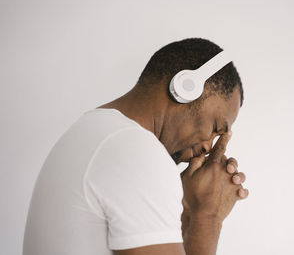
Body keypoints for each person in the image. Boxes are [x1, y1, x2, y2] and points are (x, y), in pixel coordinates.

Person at [23, 38, 249, 255]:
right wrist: (209, 214)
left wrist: (189, 212)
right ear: (185, 87)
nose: (209, 147)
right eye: (216, 127)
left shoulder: (100, 131)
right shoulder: (137, 152)